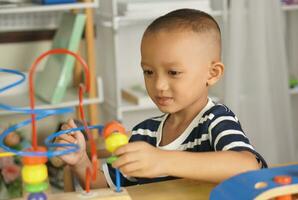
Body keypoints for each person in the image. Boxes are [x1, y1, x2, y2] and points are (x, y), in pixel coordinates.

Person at [57, 8, 267, 190]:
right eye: (149, 72)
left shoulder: (217, 120)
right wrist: (80, 161)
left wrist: (163, 161)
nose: (158, 85)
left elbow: (247, 166)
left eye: (173, 72)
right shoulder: (144, 134)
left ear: (212, 73)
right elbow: (102, 184)